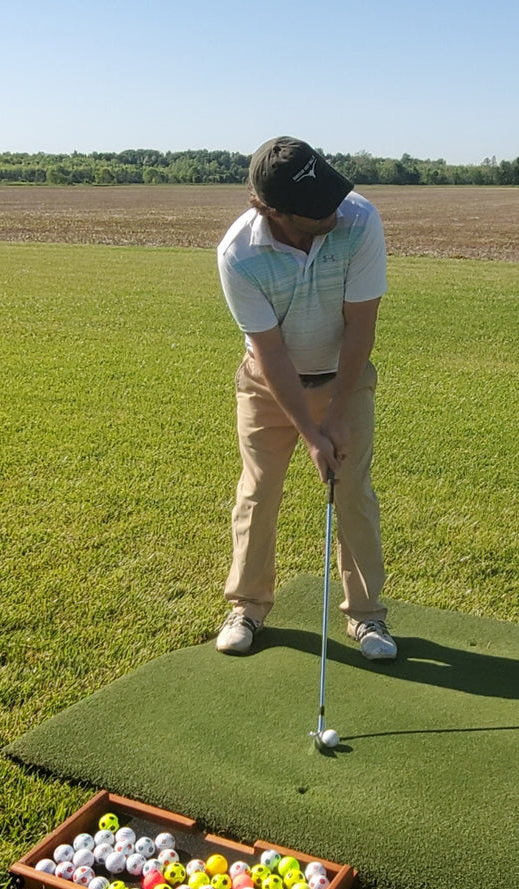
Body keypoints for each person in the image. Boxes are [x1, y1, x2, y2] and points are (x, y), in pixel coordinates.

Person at [213, 136, 396, 663]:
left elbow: (362, 324)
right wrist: (310, 434)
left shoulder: (359, 221)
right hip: (269, 384)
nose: (334, 211)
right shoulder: (238, 254)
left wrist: (335, 415)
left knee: (354, 492)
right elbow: (268, 351)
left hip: (346, 376)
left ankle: (367, 617)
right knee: (258, 491)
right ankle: (247, 606)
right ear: (268, 209)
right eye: (317, 209)